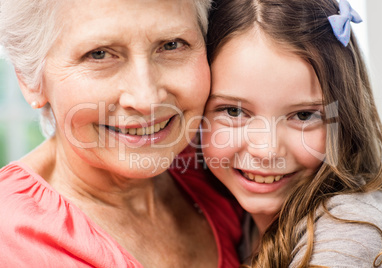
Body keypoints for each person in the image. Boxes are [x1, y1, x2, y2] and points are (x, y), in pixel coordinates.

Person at [0, 0, 243, 267]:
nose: (147, 99)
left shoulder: (220, 171)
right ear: (28, 78)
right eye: (100, 54)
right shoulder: (11, 239)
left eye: (171, 44)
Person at [201, 0, 382, 267]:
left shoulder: (355, 230)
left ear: (345, 121)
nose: (267, 150)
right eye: (234, 112)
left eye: (304, 116)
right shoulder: (237, 221)